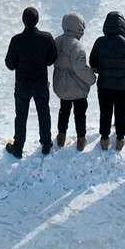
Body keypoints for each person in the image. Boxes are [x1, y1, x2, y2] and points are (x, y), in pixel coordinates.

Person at [5, 6, 58, 157]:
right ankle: (46, 143)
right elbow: (51, 59)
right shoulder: (46, 38)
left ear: (23, 21)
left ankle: (18, 147)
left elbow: (10, 64)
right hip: (41, 82)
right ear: (37, 20)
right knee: (43, 112)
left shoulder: (16, 40)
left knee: (21, 115)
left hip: (23, 84)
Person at [89, 10, 125, 147]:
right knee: (121, 112)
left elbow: (92, 61)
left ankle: (104, 138)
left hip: (104, 85)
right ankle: (120, 139)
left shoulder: (100, 42)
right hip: (123, 86)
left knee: (105, 112)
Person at [53, 12, 97, 149]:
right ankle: (81, 139)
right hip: (77, 87)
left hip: (61, 84)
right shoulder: (76, 46)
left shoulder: (57, 41)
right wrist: (92, 78)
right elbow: (80, 68)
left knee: (63, 110)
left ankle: (61, 136)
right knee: (80, 113)